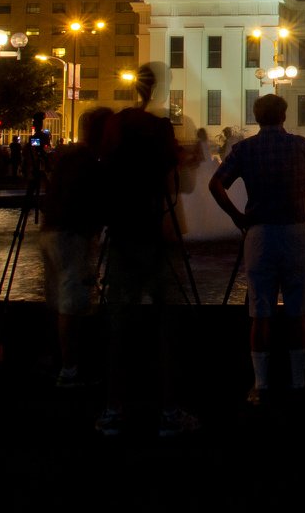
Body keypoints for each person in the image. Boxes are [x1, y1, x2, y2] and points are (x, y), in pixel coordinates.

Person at [96, 65, 202, 438]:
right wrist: (190, 160)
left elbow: (105, 165)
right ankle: (169, 413)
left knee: (118, 325)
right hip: (154, 229)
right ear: (160, 87)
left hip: (122, 230)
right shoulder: (160, 128)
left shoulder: (118, 124)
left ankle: (112, 410)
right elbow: (176, 179)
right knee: (165, 323)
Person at [210, 92, 305, 404]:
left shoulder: (244, 149)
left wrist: (237, 217)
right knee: (297, 311)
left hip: (258, 232)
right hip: (295, 231)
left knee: (260, 312)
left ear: (257, 119)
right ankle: (299, 382)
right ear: (284, 116)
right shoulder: (301, 146)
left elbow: (215, 184)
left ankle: (261, 385)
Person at [40, 107, 111, 386]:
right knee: (71, 301)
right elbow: (91, 200)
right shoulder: (88, 162)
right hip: (70, 235)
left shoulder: (70, 156)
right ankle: (69, 369)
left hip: (53, 231)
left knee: (58, 299)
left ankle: (55, 358)